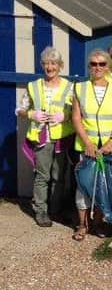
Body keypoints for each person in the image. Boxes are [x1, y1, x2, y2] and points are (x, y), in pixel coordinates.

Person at [71, 49, 112, 241]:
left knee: (104, 185)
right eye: (94, 64)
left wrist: (111, 142)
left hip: (109, 147)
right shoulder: (80, 88)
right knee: (83, 185)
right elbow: (76, 118)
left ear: (108, 66)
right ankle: (82, 224)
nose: (98, 67)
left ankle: (98, 222)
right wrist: (88, 143)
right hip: (87, 146)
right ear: (89, 66)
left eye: (102, 64)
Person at [16, 47, 74, 227]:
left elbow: (77, 111)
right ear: (42, 65)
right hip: (42, 138)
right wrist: (32, 114)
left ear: (60, 66)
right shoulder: (33, 86)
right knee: (43, 176)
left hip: (62, 138)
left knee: (59, 176)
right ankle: (41, 211)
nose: (50, 67)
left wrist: (65, 116)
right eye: (46, 63)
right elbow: (19, 110)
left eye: (53, 63)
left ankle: (56, 211)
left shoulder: (69, 86)